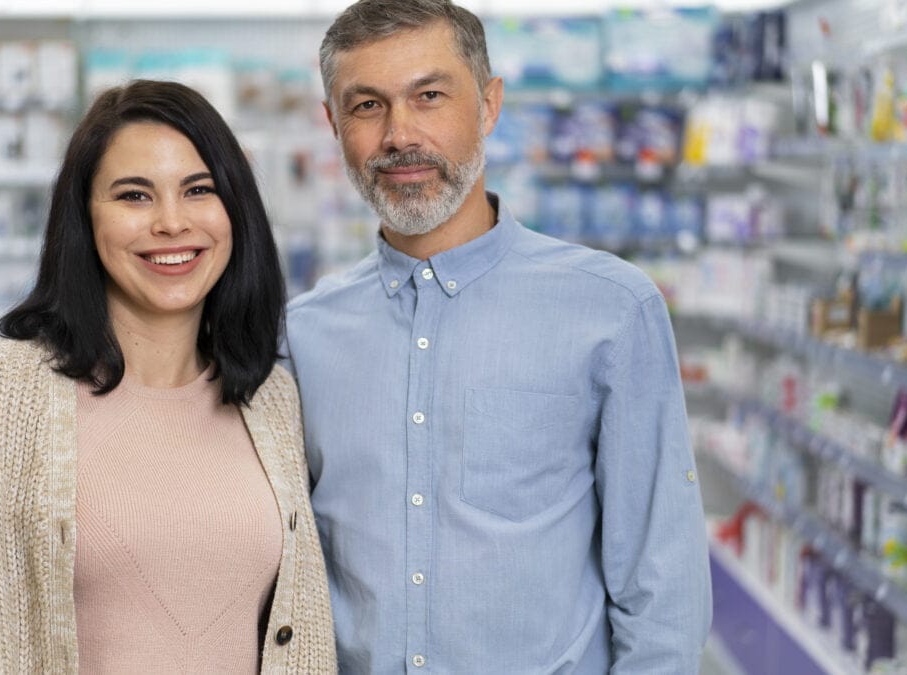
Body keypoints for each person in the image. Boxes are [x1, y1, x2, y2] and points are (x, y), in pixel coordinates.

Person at [282, 0, 712, 672]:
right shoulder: (304, 334)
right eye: (367, 106)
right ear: (334, 125)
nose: (400, 134)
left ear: (488, 105)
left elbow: (662, 590)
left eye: (429, 96)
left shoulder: (610, 310)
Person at [0, 79, 335, 673]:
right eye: (134, 196)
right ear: (84, 217)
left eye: (199, 189)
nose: (171, 222)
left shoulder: (272, 399)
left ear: (236, 209)